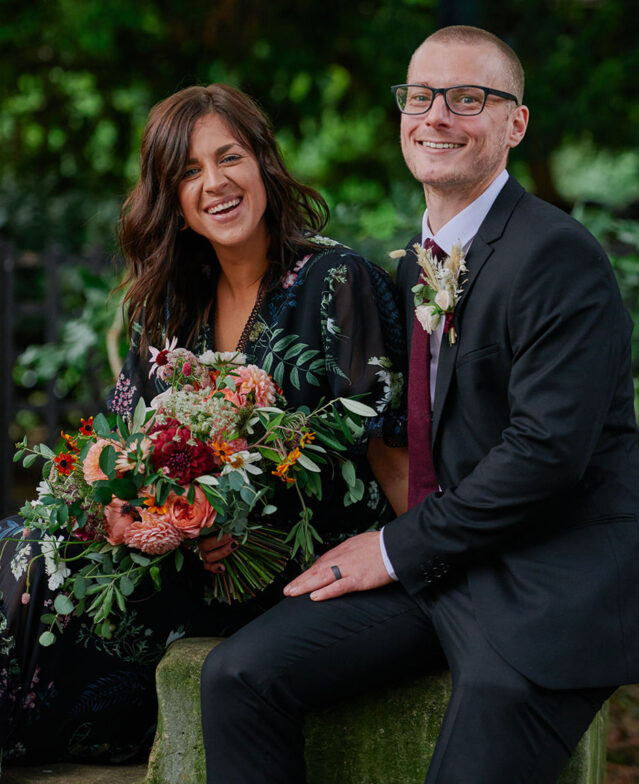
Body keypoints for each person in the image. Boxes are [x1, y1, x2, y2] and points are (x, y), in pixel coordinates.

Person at [200, 26, 639, 784]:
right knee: (238, 677)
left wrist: (390, 550)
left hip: (542, 583)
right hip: (447, 568)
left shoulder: (554, 254)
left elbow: (545, 453)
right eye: (420, 96)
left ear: (515, 123)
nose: (436, 115)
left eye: (467, 98)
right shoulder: (421, 256)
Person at [0, 84, 408, 768]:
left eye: (229, 158)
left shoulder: (336, 281)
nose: (214, 184)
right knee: (25, 549)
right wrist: (142, 519)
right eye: (188, 172)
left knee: (34, 571)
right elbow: (119, 458)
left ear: (263, 166)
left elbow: (392, 445)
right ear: (171, 198)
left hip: (301, 571)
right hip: (180, 565)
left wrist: (431, 579)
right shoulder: (167, 312)